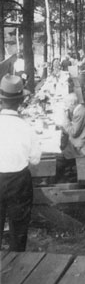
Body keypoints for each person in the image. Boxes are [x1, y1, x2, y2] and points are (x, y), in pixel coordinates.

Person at [0, 74, 41, 251]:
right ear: (20, 102)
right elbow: (35, 159)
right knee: (19, 228)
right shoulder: (26, 127)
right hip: (18, 181)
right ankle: (17, 264)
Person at [59, 93, 85, 160]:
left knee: (59, 155)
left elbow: (73, 133)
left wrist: (65, 118)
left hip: (83, 149)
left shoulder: (80, 113)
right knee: (61, 144)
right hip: (84, 142)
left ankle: (67, 167)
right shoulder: (80, 110)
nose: (66, 106)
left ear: (72, 103)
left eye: (66, 104)